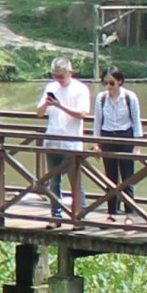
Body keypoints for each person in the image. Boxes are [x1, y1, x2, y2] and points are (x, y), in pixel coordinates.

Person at [37, 57, 93, 212]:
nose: (58, 79)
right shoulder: (51, 87)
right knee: (54, 182)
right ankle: (56, 215)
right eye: (55, 75)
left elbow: (82, 113)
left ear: (70, 72)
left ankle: (79, 215)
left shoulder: (80, 88)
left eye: (61, 76)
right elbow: (39, 113)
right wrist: (46, 104)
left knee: (75, 181)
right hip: (52, 140)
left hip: (72, 143)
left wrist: (60, 106)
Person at [94, 67, 145, 214]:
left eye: (112, 83)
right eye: (105, 83)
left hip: (125, 136)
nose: (109, 87)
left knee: (127, 177)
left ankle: (130, 211)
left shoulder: (130, 97)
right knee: (110, 177)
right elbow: (97, 122)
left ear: (120, 81)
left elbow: (136, 121)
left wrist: (138, 145)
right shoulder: (101, 98)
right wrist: (97, 144)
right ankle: (112, 211)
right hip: (107, 136)